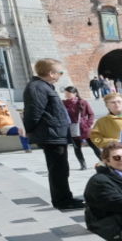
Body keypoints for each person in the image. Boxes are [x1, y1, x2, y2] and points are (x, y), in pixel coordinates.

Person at [22, 58, 83, 210]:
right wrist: (29, 131)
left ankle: (65, 197)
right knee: (58, 169)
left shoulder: (44, 86)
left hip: (56, 133)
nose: (60, 75)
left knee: (62, 168)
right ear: (51, 73)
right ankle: (62, 200)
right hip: (51, 135)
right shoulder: (37, 87)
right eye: (59, 72)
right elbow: (34, 112)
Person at [62, 86, 98, 170]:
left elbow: (91, 114)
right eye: (65, 93)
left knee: (94, 145)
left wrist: (88, 124)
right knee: (77, 147)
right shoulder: (63, 103)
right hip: (72, 128)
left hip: (84, 128)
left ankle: (104, 161)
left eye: (68, 93)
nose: (66, 95)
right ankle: (82, 164)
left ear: (74, 93)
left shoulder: (82, 102)